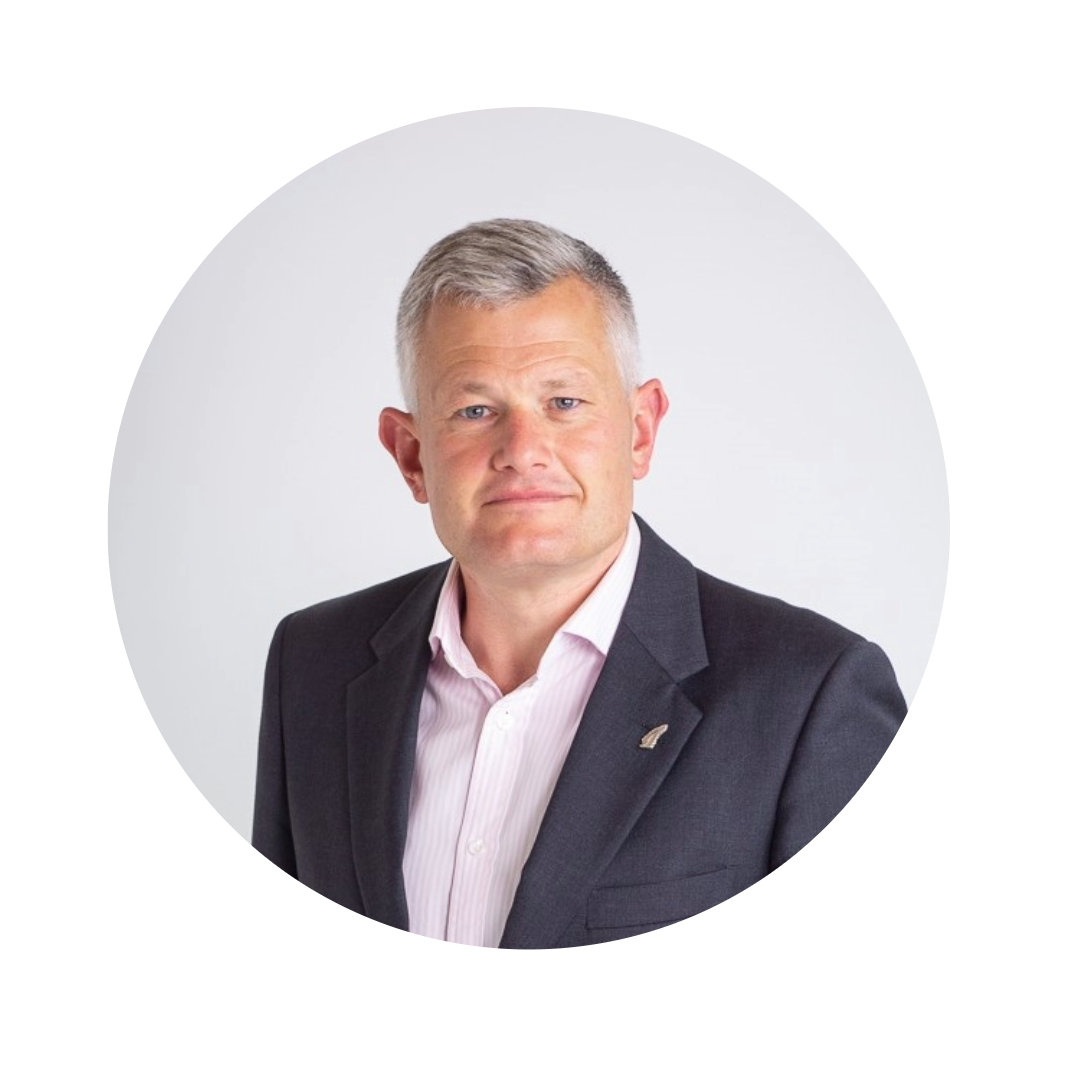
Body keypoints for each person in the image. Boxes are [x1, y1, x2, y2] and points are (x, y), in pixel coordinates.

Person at [252, 218, 906, 948]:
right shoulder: (313, 663)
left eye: (564, 402)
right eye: (475, 410)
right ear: (411, 454)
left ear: (640, 431)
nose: (523, 450)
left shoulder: (811, 695)